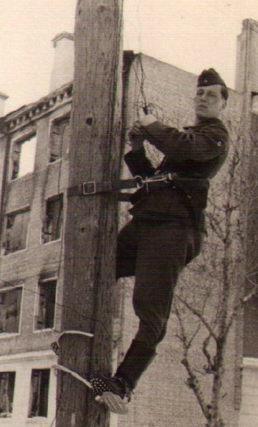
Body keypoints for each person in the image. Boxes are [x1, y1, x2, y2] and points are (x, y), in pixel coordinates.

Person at [90, 68, 230, 408]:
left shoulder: (214, 137)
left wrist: (151, 126)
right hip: (148, 223)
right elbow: (150, 181)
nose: (203, 98)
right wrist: (137, 147)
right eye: (199, 93)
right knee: (94, 269)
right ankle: (83, 343)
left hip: (172, 231)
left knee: (151, 311)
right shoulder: (186, 143)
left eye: (211, 94)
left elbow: (180, 145)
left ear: (223, 104)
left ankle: (122, 384)